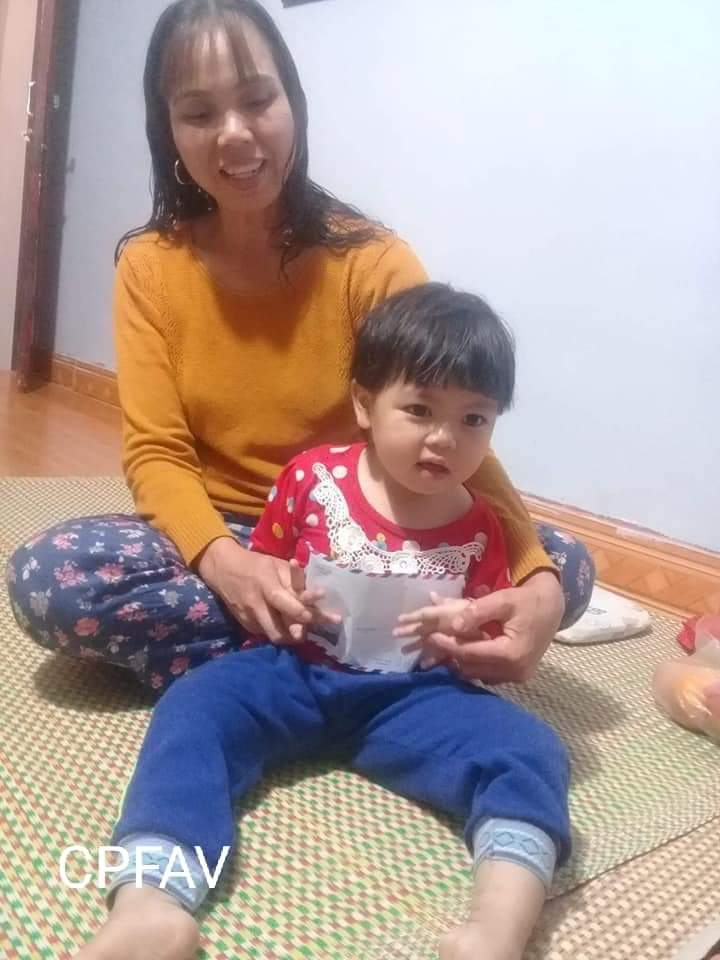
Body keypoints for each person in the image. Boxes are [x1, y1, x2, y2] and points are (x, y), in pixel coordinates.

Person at [5, 0, 594, 693]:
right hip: (226, 530)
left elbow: (449, 426)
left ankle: (293, 650)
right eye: (199, 113)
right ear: (168, 131)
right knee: (50, 576)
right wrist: (227, 563)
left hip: (373, 529)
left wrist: (536, 580)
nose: (234, 134)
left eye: (258, 100)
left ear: (294, 104)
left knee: (566, 566)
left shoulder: (374, 263)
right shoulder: (150, 267)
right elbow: (156, 452)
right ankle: (364, 647)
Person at [74, 283, 571, 960]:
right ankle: (151, 904)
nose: (443, 438)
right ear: (365, 404)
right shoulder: (314, 478)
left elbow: (487, 630)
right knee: (194, 708)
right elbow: (267, 564)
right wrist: (288, 596)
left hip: (413, 694)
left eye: (474, 419)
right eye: (419, 410)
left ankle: (497, 928)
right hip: (294, 669)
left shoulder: (482, 522)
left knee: (532, 748)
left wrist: (463, 630)